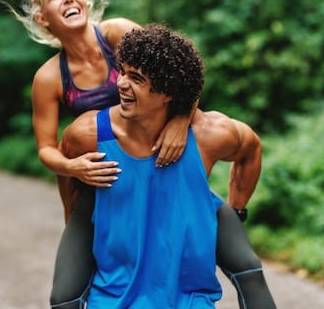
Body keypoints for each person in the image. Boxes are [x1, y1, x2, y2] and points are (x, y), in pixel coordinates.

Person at [0, 0, 276, 309]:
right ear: (43, 18)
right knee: (66, 295)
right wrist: (74, 170)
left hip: (167, 163)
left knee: (241, 269)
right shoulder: (50, 79)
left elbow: (176, 67)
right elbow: (49, 150)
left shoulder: (117, 33)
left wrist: (181, 120)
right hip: (109, 177)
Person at [59, 24, 266, 308]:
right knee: (62, 300)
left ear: (167, 92)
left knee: (254, 281)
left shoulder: (209, 135)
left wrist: (236, 209)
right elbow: (66, 164)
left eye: (136, 78)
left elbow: (252, 149)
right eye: (123, 72)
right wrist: (75, 219)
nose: (120, 83)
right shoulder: (89, 133)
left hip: (189, 295)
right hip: (112, 294)